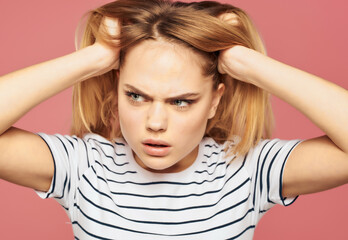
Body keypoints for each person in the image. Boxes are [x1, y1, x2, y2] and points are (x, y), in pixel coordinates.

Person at [0, 0, 347, 239]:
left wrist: (246, 62)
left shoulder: (247, 169)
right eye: (136, 96)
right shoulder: (84, 166)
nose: (155, 122)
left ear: (215, 101)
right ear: (116, 88)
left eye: (181, 101)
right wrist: (95, 58)